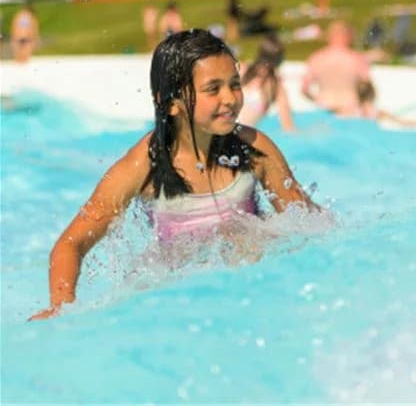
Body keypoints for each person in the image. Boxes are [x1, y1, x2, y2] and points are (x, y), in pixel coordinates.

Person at [29, 29, 324, 320]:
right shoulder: (146, 166)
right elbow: (71, 244)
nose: (230, 98)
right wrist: (59, 308)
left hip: (252, 290)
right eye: (213, 89)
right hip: (180, 304)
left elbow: (307, 222)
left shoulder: (253, 150)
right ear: (171, 103)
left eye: (235, 84)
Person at [301, 21, 371, 116]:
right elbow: (367, 89)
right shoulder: (357, 59)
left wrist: (316, 100)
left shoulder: (316, 58)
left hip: (323, 106)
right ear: (348, 37)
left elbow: (304, 89)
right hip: (350, 107)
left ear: (328, 36)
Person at [237, 34, 295, 131]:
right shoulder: (275, 86)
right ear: (279, 60)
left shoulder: (241, 69)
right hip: (238, 135)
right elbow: (288, 127)